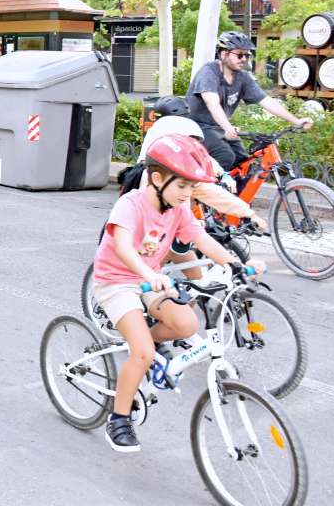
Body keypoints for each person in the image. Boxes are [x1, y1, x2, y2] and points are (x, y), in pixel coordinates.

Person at [93, 135, 251, 453]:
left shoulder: (178, 210)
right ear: (156, 179)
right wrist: (150, 274)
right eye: (182, 186)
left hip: (150, 282)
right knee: (142, 352)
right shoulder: (131, 204)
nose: (188, 195)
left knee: (187, 324)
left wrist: (235, 264)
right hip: (116, 281)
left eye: (192, 188)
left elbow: (200, 239)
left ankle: (147, 344)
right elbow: (123, 247)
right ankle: (119, 418)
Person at [185, 31, 312, 173]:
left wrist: (295, 121)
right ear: (223, 54)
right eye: (239, 55)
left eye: (247, 55)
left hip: (219, 128)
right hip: (198, 127)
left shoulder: (242, 77)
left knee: (243, 162)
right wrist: (227, 127)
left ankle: (233, 194)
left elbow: (266, 101)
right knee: (225, 156)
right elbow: (212, 104)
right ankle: (203, 191)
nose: (244, 59)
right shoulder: (209, 73)